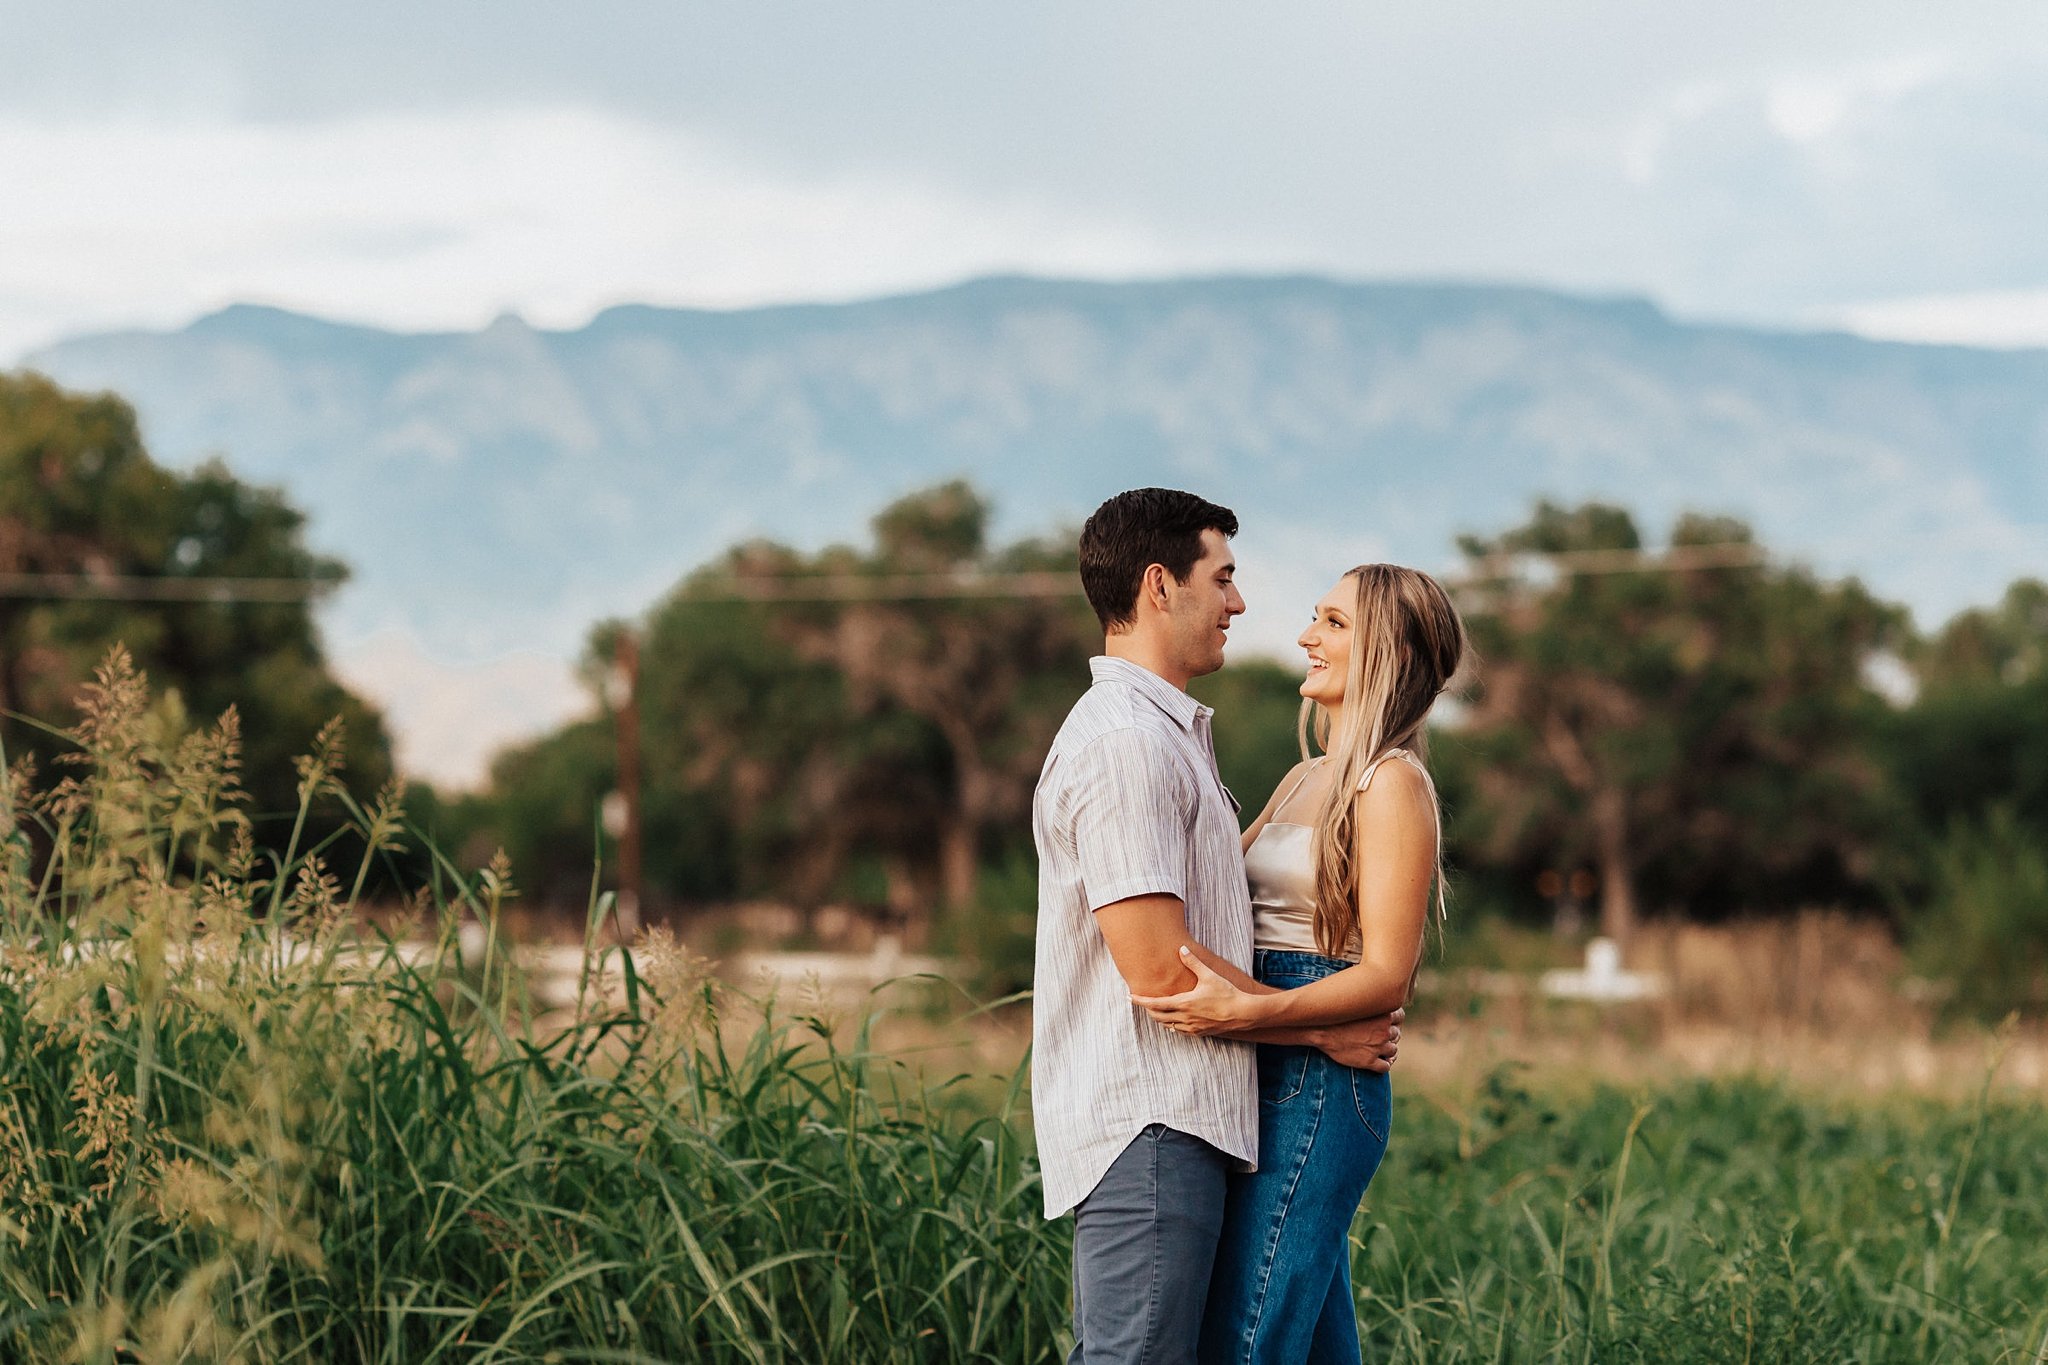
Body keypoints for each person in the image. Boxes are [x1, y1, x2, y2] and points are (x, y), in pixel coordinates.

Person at [1033, 490, 1404, 1365]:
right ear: (1161, 586)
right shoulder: (1127, 741)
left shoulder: (1172, 737)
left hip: (1189, 1114)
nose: (1240, 602)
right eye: (1224, 577)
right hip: (1150, 1116)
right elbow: (1161, 971)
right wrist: (1322, 1025)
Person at [1132, 563, 1467, 1363]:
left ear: (1393, 649)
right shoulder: (1301, 778)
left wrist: (1254, 1014)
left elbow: (1388, 973)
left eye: (1333, 622)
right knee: (1305, 1338)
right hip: (1278, 1053)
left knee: (1249, 1337)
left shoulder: (1392, 784)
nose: (1305, 637)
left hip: (1318, 1081)